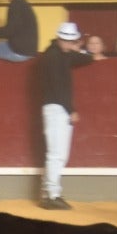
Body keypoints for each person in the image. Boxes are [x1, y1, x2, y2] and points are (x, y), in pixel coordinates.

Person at [36, 21, 94, 210]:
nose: (70, 45)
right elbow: (58, 87)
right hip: (56, 108)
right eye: (69, 42)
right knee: (56, 154)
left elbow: (85, 59)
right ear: (61, 40)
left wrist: (79, 48)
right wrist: (71, 109)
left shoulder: (59, 54)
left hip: (56, 107)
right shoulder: (54, 57)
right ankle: (51, 195)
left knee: (58, 154)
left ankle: (50, 193)